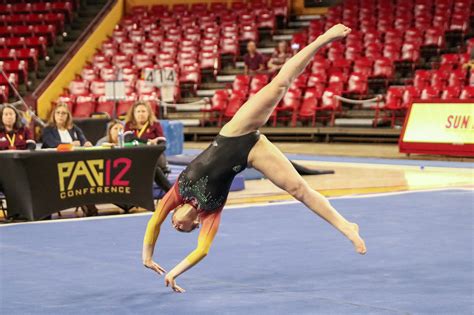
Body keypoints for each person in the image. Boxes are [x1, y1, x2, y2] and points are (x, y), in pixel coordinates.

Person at [142, 24, 366, 293]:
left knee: (279, 85)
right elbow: (202, 250)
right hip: (252, 152)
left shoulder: (177, 192)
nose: (175, 224)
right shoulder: (210, 213)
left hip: (235, 133)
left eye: (174, 224)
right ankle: (347, 227)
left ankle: (323, 39)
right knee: (299, 190)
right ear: (195, 224)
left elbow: (154, 222)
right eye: (182, 230)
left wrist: (148, 257)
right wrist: (174, 272)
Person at [41, 103, 97, 216]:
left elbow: (82, 140)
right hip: (53, 166)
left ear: (68, 116)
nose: (60, 115)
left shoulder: (74, 128)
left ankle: (90, 208)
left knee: (87, 176)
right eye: (58, 113)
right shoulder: (48, 130)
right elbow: (53, 144)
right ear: (54, 115)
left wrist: (86, 143)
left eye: (63, 113)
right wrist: (70, 144)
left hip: (74, 165)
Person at [124, 101, 171, 192]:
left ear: (148, 113)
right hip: (135, 159)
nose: (141, 114)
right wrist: (148, 143)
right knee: (151, 168)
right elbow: (128, 139)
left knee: (150, 165)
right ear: (133, 113)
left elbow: (162, 143)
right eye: (138, 111)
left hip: (154, 157)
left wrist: (153, 146)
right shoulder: (128, 125)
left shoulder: (155, 125)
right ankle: (170, 192)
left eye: (143, 111)